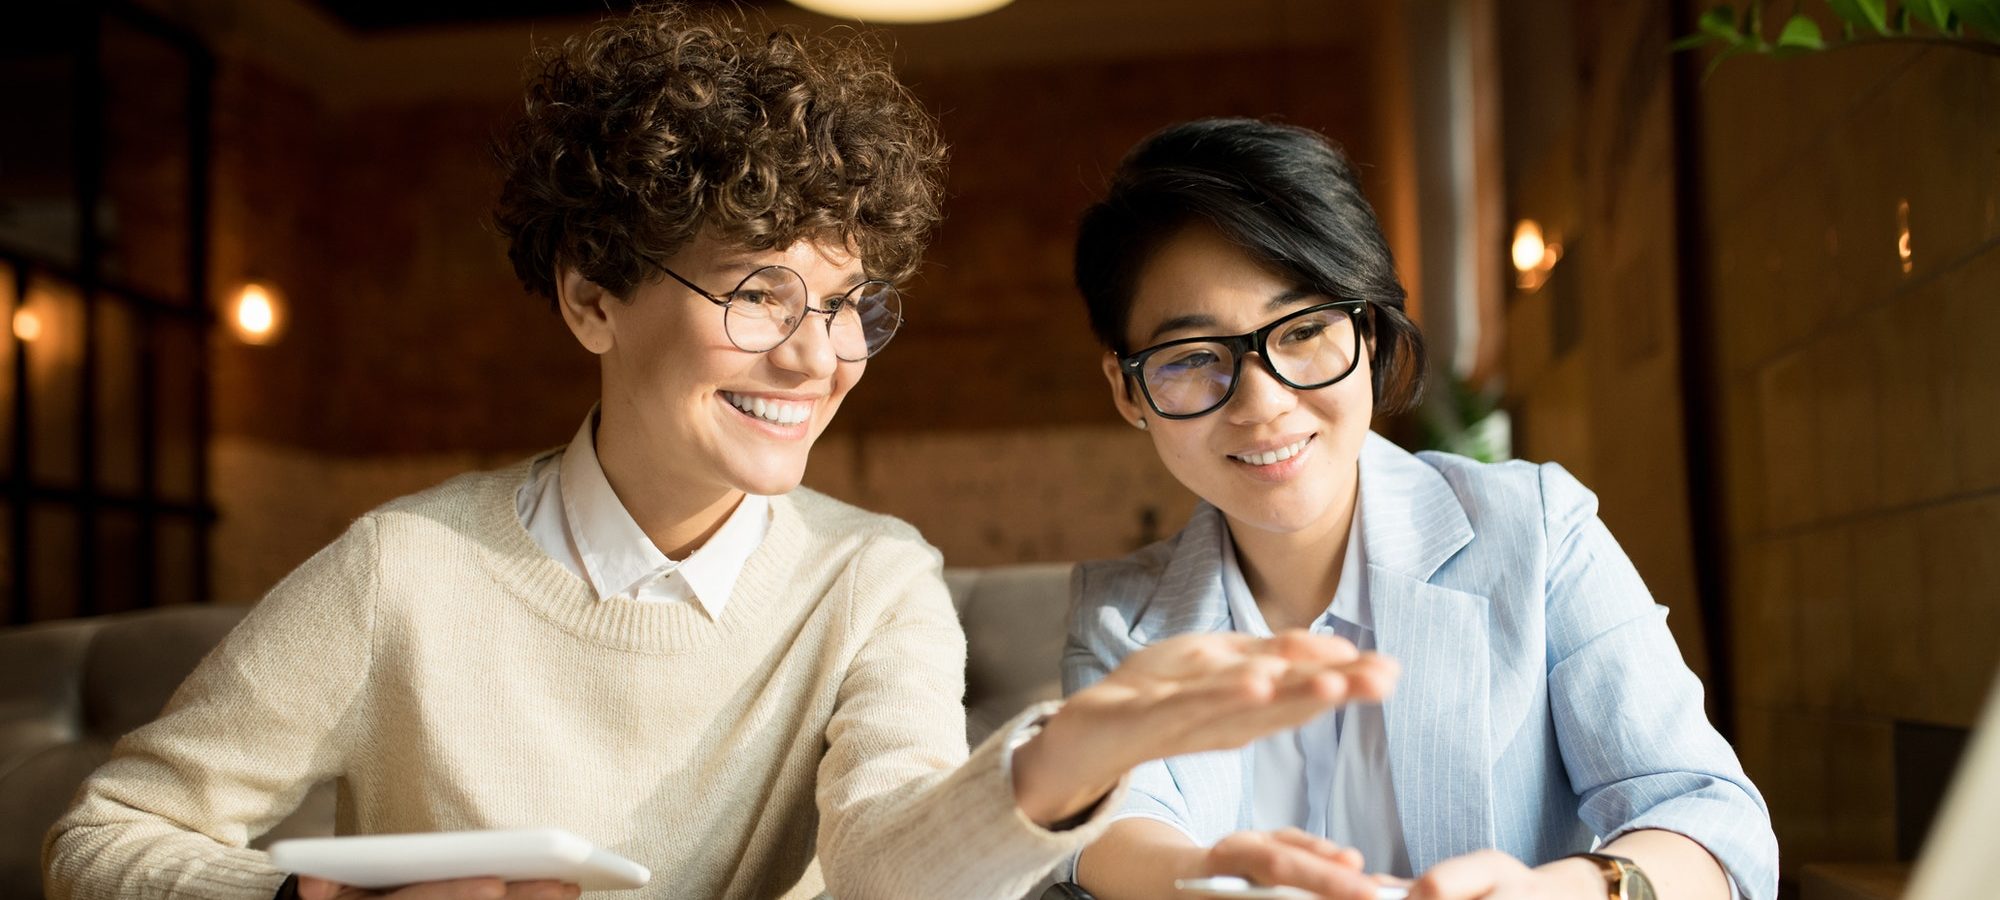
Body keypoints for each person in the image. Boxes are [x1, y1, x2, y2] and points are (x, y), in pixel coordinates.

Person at [42, 15, 1399, 900]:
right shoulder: (406, 571)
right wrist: (311, 899)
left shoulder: (873, 578)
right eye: (758, 293)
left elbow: (883, 864)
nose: (818, 359)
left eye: (850, 303)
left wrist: (1062, 760)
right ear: (592, 298)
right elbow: (98, 842)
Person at [1059, 118, 1778, 900]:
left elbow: (1710, 817)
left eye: (1302, 331)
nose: (1262, 404)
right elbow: (1106, 830)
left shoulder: (1535, 532)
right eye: (1194, 358)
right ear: (1128, 390)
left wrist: (1565, 891)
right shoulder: (1116, 615)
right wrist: (1212, 883)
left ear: (1367, 333)